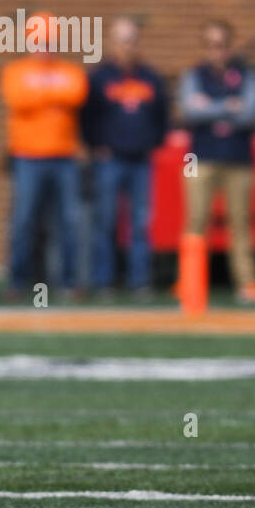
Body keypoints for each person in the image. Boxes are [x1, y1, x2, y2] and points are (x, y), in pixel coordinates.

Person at [177, 20, 255, 304]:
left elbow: (251, 113)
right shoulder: (194, 74)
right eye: (211, 46)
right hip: (200, 158)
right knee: (195, 220)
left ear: (229, 46)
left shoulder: (246, 74)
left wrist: (210, 107)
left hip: (238, 159)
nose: (217, 51)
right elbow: (189, 111)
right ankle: (189, 281)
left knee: (240, 223)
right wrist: (228, 106)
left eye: (221, 45)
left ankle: (247, 282)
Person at [0, 17, 88, 300]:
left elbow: (76, 94)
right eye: (39, 41)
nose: (44, 48)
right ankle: (17, 282)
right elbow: (17, 99)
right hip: (27, 157)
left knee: (68, 221)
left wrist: (39, 96)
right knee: (24, 221)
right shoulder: (15, 70)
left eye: (49, 42)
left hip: (64, 157)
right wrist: (53, 98)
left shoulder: (70, 70)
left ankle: (68, 281)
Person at [82, 16, 167, 299]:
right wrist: (97, 144)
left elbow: (161, 116)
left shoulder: (151, 78)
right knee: (105, 221)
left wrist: (153, 142)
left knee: (140, 223)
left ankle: (139, 281)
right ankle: (104, 280)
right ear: (112, 43)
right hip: (110, 159)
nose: (126, 46)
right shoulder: (99, 78)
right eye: (121, 40)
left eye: (131, 40)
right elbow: (87, 117)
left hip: (141, 159)